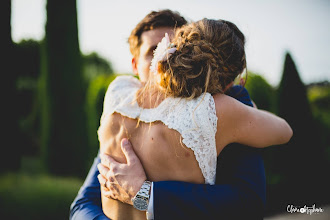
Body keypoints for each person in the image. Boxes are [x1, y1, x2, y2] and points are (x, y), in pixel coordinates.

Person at [69, 10, 289, 220]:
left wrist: (143, 193)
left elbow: (247, 203)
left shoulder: (117, 94)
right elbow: (284, 131)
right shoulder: (218, 109)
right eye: (153, 50)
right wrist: (250, 109)